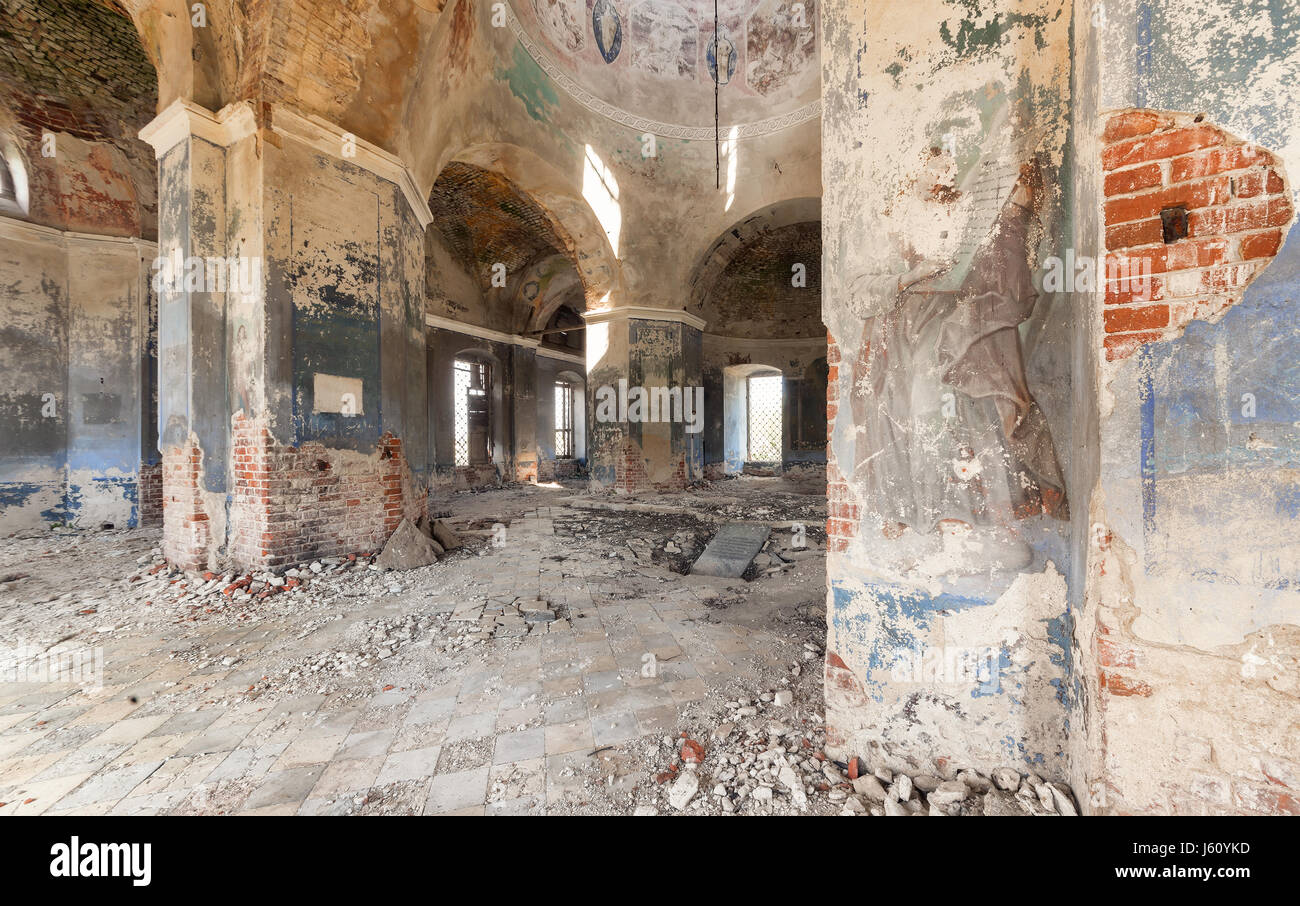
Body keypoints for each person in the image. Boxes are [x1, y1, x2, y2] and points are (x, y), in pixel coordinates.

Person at [848, 153, 1068, 549]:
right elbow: (858, 293)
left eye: (946, 172)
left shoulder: (963, 213)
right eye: (932, 172)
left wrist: (1015, 210)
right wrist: (910, 277)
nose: (941, 180)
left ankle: (962, 515)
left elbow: (994, 266)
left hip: (953, 321)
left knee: (952, 401)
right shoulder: (889, 222)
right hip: (898, 334)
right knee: (908, 413)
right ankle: (918, 517)